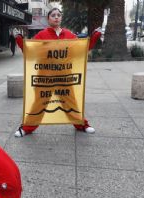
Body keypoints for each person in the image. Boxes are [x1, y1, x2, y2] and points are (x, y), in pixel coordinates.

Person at [14, 8, 102, 137]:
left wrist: (94, 37)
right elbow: (30, 51)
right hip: (45, 77)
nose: (56, 17)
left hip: (64, 77)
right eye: (53, 15)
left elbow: (81, 49)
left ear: (61, 18)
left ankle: (82, 124)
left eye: (58, 15)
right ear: (48, 19)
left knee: (71, 103)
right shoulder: (41, 35)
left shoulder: (69, 35)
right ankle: (27, 128)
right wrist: (20, 40)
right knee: (39, 104)